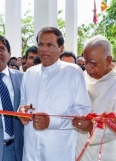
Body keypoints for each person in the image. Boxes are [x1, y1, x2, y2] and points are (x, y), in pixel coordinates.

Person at [18, 27, 91, 161]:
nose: (44, 49)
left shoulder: (73, 72)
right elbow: (23, 102)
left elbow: (83, 109)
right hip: (31, 149)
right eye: (41, 44)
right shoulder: (29, 73)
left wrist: (52, 121)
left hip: (58, 150)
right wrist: (22, 110)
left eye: (50, 45)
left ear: (61, 49)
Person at [72, 35, 116, 161]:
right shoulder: (82, 76)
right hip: (82, 147)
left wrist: (90, 127)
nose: (88, 68)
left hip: (109, 151)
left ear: (108, 60)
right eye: (85, 62)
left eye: (93, 63)